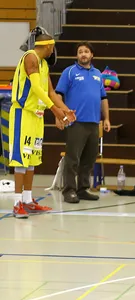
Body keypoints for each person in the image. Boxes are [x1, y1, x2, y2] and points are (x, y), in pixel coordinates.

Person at [10, 33, 76, 219]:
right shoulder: (30, 57)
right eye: (52, 47)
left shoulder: (44, 64)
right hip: (23, 114)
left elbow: (50, 92)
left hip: (37, 116)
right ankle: (17, 204)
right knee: (21, 159)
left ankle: (28, 200)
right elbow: (37, 89)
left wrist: (65, 110)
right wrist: (55, 110)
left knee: (32, 159)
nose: (53, 51)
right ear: (48, 46)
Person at [55, 41, 111, 204]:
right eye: (80, 52)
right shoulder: (70, 72)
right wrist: (59, 116)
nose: (83, 54)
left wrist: (106, 118)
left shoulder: (98, 74)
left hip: (94, 122)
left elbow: (103, 98)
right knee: (73, 158)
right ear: (77, 55)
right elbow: (58, 95)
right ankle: (69, 190)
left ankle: (83, 188)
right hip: (76, 123)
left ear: (92, 55)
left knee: (89, 159)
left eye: (86, 51)